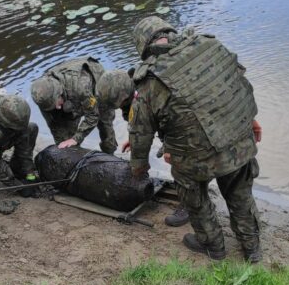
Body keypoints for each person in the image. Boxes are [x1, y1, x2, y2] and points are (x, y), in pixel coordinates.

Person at [128, 16, 263, 262]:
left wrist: (138, 167)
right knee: (240, 194)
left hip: (194, 158)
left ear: (143, 46)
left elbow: (140, 130)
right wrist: (251, 120)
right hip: (237, 141)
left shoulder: (149, 80)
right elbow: (239, 83)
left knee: (195, 197)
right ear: (169, 32)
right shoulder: (208, 46)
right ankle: (252, 248)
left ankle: (213, 245)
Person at [99, 70, 192, 228]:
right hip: (170, 120)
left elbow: (154, 125)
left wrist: (138, 170)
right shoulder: (130, 88)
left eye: (119, 104)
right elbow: (139, 122)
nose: (120, 107)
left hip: (186, 122)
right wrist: (133, 138)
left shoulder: (146, 92)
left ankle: (189, 205)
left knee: (179, 161)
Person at [31, 56, 117, 154]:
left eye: (56, 103)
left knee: (105, 124)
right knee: (65, 141)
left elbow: (93, 116)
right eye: (52, 106)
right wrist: (63, 144)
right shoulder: (42, 97)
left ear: (60, 92)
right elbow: (55, 126)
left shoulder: (81, 86)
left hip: (96, 82)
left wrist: (76, 138)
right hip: (70, 94)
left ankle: (110, 153)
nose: (58, 107)